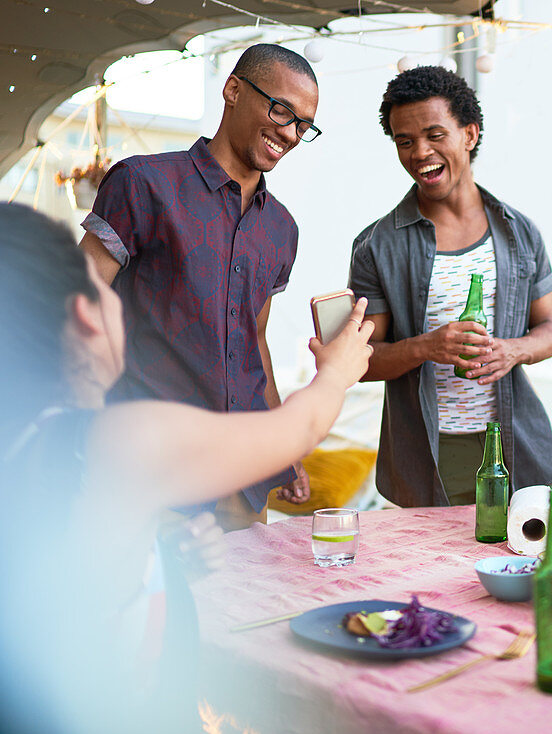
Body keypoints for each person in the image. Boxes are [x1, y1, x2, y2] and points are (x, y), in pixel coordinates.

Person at [0, 202, 375, 734]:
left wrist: (158, 562)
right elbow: (298, 430)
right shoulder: (113, 446)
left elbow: (64, 588)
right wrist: (337, 372)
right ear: (87, 314)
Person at [77, 44, 322, 530]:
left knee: (252, 606)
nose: (290, 133)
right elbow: (76, 310)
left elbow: (255, 344)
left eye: (303, 125)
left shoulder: (282, 229)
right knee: (160, 607)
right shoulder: (143, 184)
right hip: (155, 471)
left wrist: (284, 449)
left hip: (244, 473)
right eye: (281, 110)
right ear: (233, 90)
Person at [349, 66, 552, 507]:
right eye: (404, 141)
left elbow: (549, 332)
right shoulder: (376, 245)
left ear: (469, 134)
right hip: (428, 453)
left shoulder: (520, 231)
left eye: (434, 135)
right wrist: (427, 347)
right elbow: (363, 361)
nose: (419, 152)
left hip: (517, 445)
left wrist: (513, 350)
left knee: (533, 569)